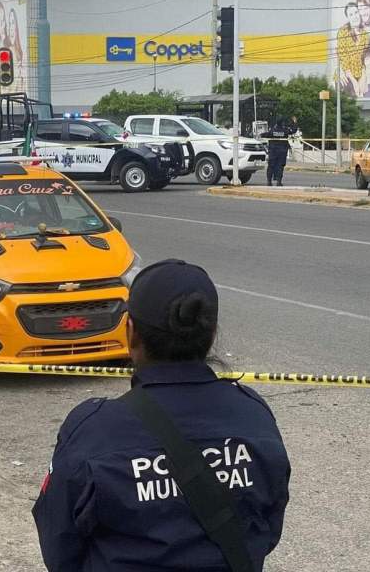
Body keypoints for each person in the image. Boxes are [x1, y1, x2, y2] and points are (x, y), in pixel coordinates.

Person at [32, 259, 291, 571]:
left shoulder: (94, 430)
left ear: (131, 333)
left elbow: (60, 547)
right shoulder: (253, 415)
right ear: (210, 335)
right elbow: (268, 527)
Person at [337, 2, 369, 97]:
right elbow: (343, 59)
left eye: (356, 12)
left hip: (360, 75)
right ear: (348, 18)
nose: (355, 16)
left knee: (364, 94)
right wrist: (354, 82)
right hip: (346, 76)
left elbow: (365, 59)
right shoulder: (343, 32)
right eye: (351, 14)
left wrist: (363, 77)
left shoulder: (365, 35)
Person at [263, 117, 291, 186]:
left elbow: (266, 134)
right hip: (282, 152)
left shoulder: (273, 130)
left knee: (270, 166)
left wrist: (261, 135)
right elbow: (293, 131)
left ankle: (269, 182)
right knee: (280, 167)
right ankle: (279, 182)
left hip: (273, 151)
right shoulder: (285, 130)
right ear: (282, 123)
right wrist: (295, 123)